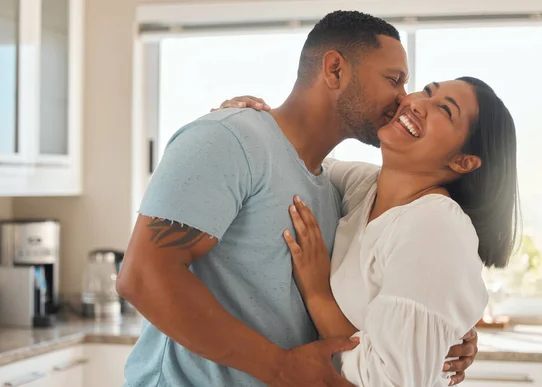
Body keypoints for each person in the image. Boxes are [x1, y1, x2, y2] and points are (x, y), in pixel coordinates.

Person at [116, 10, 478, 387]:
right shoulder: (227, 138)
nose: (404, 99)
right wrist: (280, 366)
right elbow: (142, 277)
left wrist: (440, 329)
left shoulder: (337, 190)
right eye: (393, 80)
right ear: (335, 70)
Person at [219, 76, 519, 386]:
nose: (417, 103)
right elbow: (295, 156)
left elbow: (388, 380)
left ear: (463, 161)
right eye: (427, 91)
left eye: (445, 109)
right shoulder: (364, 188)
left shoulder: (435, 226)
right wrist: (248, 120)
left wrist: (317, 293)